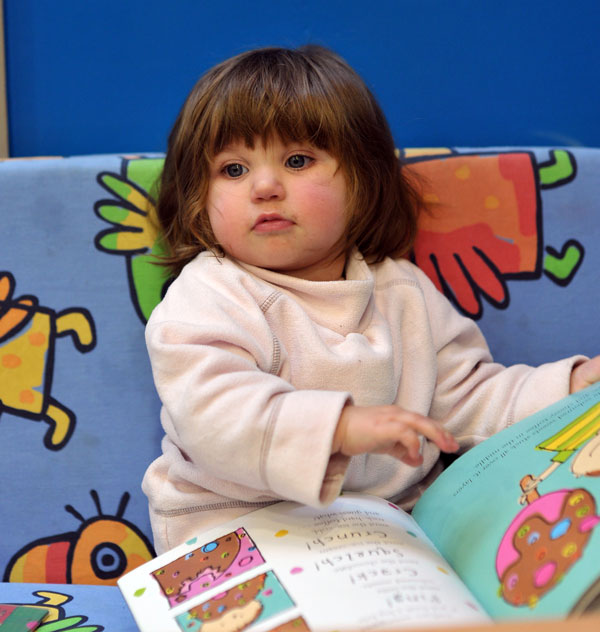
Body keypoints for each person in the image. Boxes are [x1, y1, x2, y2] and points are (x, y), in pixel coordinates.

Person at [142, 45, 600, 554]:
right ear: (197, 201)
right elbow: (214, 414)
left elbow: (469, 400)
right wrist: (337, 428)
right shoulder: (207, 295)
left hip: (386, 537)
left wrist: (570, 387)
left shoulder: (401, 291)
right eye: (233, 170)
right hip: (234, 538)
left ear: (362, 181)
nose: (265, 186)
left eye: (297, 161)